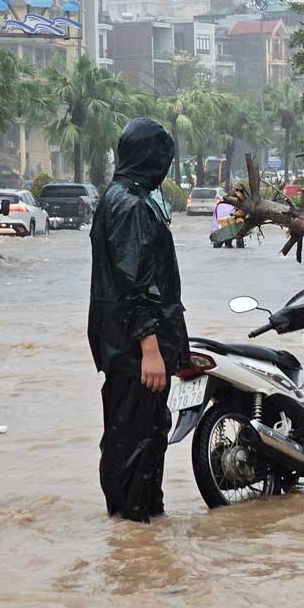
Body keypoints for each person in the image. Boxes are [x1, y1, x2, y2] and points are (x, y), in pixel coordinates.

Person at [88, 118, 189, 522]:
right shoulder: (130, 206)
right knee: (134, 438)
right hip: (136, 347)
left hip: (122, 341)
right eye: (162, 156)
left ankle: (142, 530)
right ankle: (132, 525)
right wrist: (150, 347)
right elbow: (137, 283)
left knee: (140, 432)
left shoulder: (121, 196)